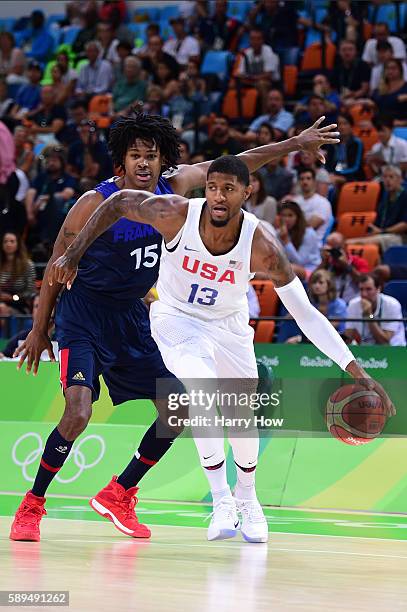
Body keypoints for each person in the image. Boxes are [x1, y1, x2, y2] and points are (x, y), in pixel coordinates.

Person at [10, 113, 340, 542]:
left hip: (133, 316)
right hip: (84, 316)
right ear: (120, 166)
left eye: (151, 156)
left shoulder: (176, 188)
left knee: (179, 405)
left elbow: (239, 163)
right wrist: (40, 330)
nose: (144, 164)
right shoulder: (94, 203)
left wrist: (294, 143)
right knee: (78, 412)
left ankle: (120, 492)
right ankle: (33, 502)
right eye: (135, 157)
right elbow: (58, 266)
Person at [50, 155, 395, 543]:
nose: (218, 196)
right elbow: (115, 203)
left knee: (241, 417)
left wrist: (358, 372)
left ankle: (247, 497)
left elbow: (306, 315)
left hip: (229, 329)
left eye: (229, 189)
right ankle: (220, 499)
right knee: (199, 387)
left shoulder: (261, 243)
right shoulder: (175, 214)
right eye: (212, 187)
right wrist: (74, 252)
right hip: (176, 320)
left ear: (247, 193)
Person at [347, 165, 407, 251]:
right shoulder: (384, 198)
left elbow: (405, 225)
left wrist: (382, 231)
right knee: (365, 240)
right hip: (384, 234)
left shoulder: (405, 196)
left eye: (391, 177)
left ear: (400, 179)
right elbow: (378, 223)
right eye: (385, 177)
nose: (387, 180)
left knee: (358, 243)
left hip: (401, 237)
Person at [284, 269, 348, 344]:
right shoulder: (311, 305)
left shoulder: (339, 304)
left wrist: (301, 338)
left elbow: (332, 326)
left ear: (329, 285)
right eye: (314, 283)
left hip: (337, 339)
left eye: (321, 283)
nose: (317, 286)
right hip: (315, 339)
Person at [344, 273, 406, 346]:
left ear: (378, 289)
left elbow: (384, 342)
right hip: (367, 349)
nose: (364, 294)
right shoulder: (353, 304)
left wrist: (369, 315)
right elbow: (348, 336)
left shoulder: (392, 305)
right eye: (361, 289)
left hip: (394, 350)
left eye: (368, 289)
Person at [318, 232, 369, 303]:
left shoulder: (358, 262)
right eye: (331, 250)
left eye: (337, 249)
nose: (334, 253)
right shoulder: (326, 263)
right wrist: (324, 262)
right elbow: (312, 282)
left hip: (352, 305)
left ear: (345, 246)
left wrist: (346, 265)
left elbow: (364, 282)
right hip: (330, 305)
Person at [278, 200, 321, 279]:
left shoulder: (309, 233)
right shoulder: (279, 232)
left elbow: (300, 262)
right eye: (283, 215)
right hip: (289, 267)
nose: (286, 219)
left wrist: (286, 241)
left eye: (290, 215)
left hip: (311, 270)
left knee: (289, 268)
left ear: (298, 217)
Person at [0, 232, 36, 323]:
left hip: (19, 304)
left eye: (12, 241)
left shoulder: (28, 265)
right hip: (1, 302)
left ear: (18, 244)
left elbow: (31, 291)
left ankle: (5, 337)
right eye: (5, 241)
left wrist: (13, 297)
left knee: (2, 309)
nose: (8, 244)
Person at [293, 168, 332, 245]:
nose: (305, 181)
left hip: (313, 245)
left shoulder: (323, 202)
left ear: (314, 182)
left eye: (308, 178)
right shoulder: (294, 201)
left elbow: (310, 226)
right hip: (293, 241)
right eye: (302, 179)